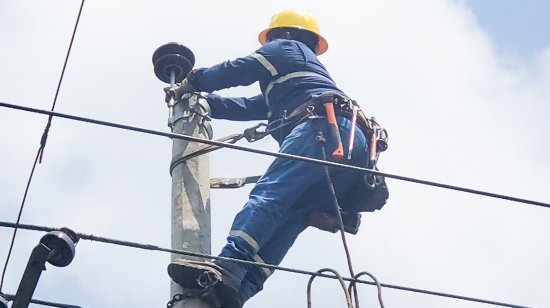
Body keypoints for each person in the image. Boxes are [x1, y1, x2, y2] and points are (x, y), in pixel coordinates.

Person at [166, 8, 385, 308]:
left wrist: (192, 82)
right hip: (351, 147)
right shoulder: (297, 79)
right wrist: (203, 104)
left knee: (271, 196)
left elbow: (237, 69)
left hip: (322, 128)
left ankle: (229, 266)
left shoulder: (286, 48)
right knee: (291, 214)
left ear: (284, 34)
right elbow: (248, 106)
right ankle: (239, 289)